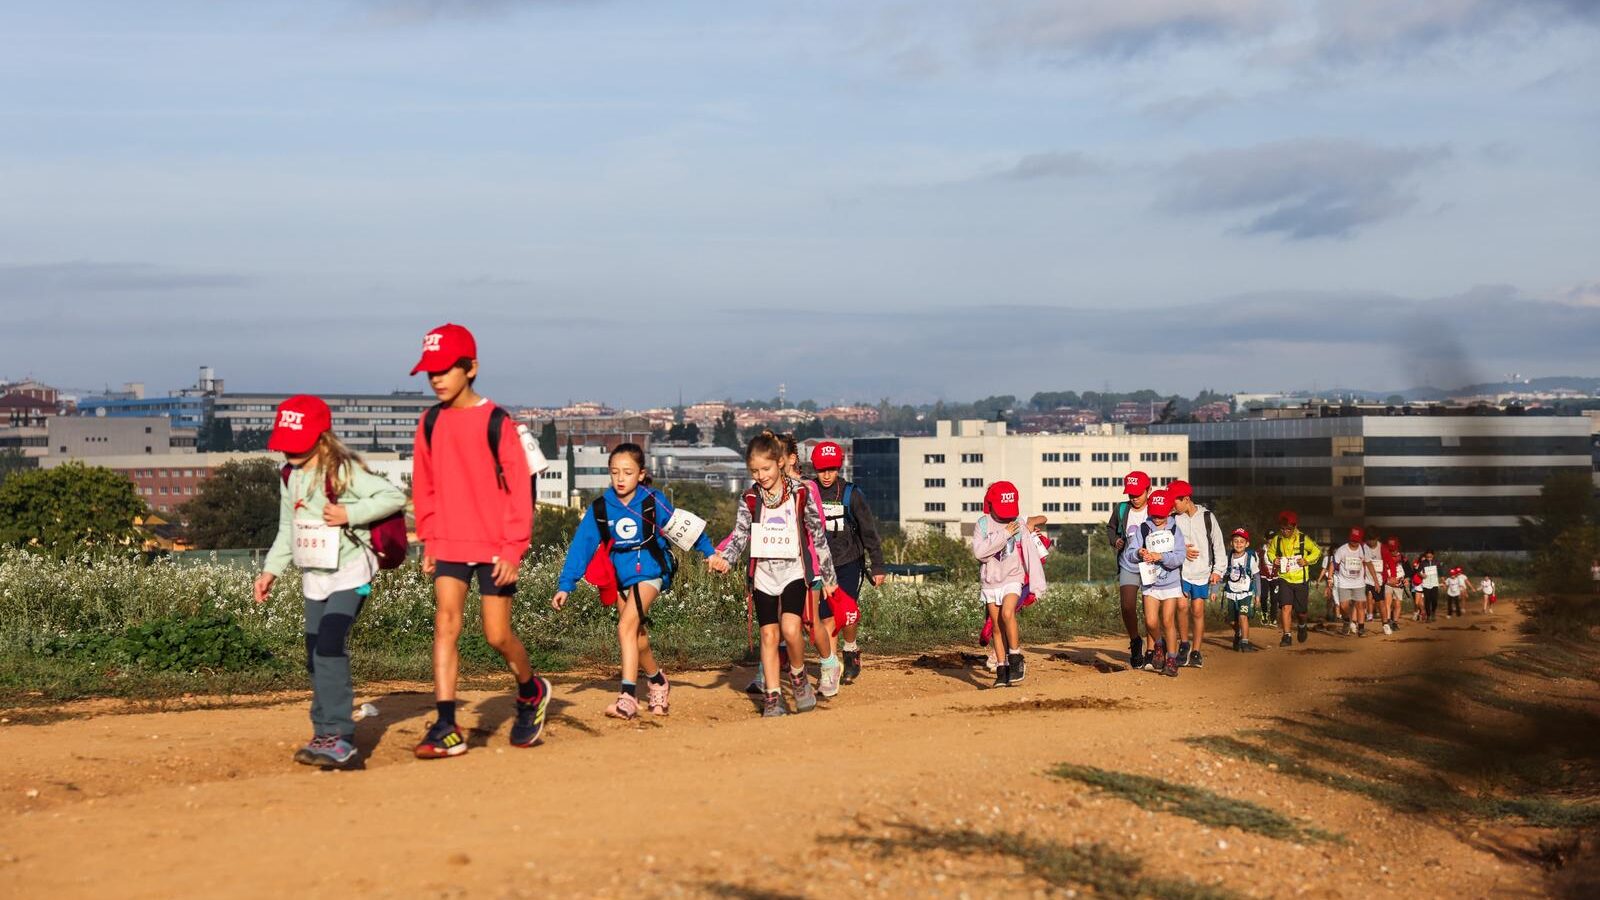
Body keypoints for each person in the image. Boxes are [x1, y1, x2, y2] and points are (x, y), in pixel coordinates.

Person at [409, 323, 551, 758]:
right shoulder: (429, 421)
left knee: (496, 635)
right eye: (429, 371)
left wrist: (513, 549)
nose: (435, 378)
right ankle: (447, 725)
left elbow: (520, 492)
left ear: (471, 368)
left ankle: (531, 691)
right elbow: (425, 485)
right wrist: (429, 539)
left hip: (494, 547)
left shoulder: (498, 422)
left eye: (444, 369)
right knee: (445, 624)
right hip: (449, 541)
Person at [254, 395, 408, 769]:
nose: (288, 452)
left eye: (296, 444)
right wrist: (270, 570)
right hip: (315, 578)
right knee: (314, 657)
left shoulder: (342, 471)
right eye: (284, 443)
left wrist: (349, 513)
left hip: (353, 574)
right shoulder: (289, 476)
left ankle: (341, 739)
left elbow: (393, 496)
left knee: (329, 647)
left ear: (321, 439)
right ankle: (322, 731)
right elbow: (287, 528)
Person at [552, 444, 718, 719]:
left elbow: (682, 527)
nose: (620, 478)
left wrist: (710, 553)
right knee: (636, 636)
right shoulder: (601, 507)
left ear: (641, 474)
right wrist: (565, 585)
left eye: (627, 472)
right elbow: (581, 546)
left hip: (651, 571)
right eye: (615, 472)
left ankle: (628, 696)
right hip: (618, 577)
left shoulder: (653, 500)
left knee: (625, 627)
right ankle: (657, 681)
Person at [708, 431, 838, 717]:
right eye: (754, 471)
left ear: (780, 463)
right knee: (768, 634)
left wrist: (828, 577)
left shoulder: (801, 493)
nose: (761, 475)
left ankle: (798, 676)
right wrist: (726, 559)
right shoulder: (750, 498)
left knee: (792, 629)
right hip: (763, 575)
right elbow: (741, 535)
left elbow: (817, 535)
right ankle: (773, 696)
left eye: (765, 469)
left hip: (794, 571)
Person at [809, 441, 888, 684]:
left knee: (847, 614)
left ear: (839, 468)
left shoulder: (851, 493)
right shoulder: (808, 492)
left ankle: (851, 649)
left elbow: (868, 530)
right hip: (819, 566)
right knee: (826, 618)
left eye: (831, 469)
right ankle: (831, 667)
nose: (827, 475)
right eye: (822, 470)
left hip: (849, 562)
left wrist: (877, 565)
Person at [971, 481, 1048, 687]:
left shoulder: (1018, 523)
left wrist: (1037, 586)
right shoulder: (983, 524)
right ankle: (1002, 670)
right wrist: (1004, 534)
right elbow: (980, 553)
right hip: (990, 582)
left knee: (1007, 613)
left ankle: (1015, 658)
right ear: (991, 503)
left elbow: (1031, 554)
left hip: (1013, 578)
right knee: (996, 627)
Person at [1123, 489, 1186, 676]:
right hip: (1150, 582)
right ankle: (1159, 644)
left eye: (1161, 515)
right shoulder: (1144, 528)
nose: (1157, 518)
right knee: (1151, 622)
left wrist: (1162, 556)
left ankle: (1172, 660)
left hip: (1171, 583)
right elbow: (1130, 553)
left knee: (1167, 620)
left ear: (1168, 511)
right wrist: (1139, 553)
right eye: (1154, 514)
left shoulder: (1175, 529)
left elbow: (1180, 556)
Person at [1168, 480, 1224, 668]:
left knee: (1198, 611)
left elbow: (1218, 545)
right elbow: (1168, 542)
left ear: (1186, 499)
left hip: (1202, 573)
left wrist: (1217, 570)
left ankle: (1197, 651)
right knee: (1182, 607)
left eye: (1175, 501)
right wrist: (1182, 549)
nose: (1172, 506)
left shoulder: (1208, 517)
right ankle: (1184, 644)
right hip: (1181, 572)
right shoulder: (1175, 518)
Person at [1106, 471, 1154, 667]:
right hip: (1128, 562)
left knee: (1151, 609)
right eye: (1130, 494)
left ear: (1148, 490)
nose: (1134, 498)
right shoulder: (1122, 509)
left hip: (1152, 564)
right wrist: (1115, 540)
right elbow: (1110, 528)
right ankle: (1135, 641)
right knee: (1127, 606)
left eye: (1138, 494)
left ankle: (1152, 649)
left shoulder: (1155, 508)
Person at [1264, 510, 1323, 647]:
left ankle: (1302, 625)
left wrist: (1306, 560)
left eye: (1289, 529)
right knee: (1286, 607)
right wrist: (1275, 560)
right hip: (1284, 578)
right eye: (1283, 529)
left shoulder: (1303, 539)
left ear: (1294, 526)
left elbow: (1317, 551)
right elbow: (1270, 553)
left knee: (1301, 611)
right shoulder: (1277, 540)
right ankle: (1287, 636)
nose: (1285, 532)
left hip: (1301, 579)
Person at [1330, 528, 1377, 637]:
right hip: (1344, 583)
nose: (1354, 542)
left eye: (1357, 540)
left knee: (1360, 605)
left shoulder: (1364, 549)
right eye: (1353, 540)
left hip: (1359, 583)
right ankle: (1347, 620)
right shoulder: (1342, 550)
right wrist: (1329, 579)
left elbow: (1369, 564)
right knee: (1343, 606)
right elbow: (1333, 563)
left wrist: (1376, 581)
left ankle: (1361, 628)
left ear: (1360, 540)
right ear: (1349, 538)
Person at [1221, 528, 1260, 652]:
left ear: (1247, 544)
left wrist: (1257, 594)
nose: (1238, 544)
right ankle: (1238, 632)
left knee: (1243, 616)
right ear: (1231, 543)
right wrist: (1214, 590)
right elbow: (1221, 574)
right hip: (1231, 593)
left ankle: (1245, 642)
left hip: (1245, 593)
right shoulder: (1227, 558)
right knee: (1232, 621)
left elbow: (1257, 576)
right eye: (1236, 541)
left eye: (1241, 541)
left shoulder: (1250, 559)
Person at [1381, 537, 1407, 634]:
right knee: (1387, 603)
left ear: (1398, 548)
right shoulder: (1383, 557)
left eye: (1394, 549)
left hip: (1399, 584)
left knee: (1397, 604)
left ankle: (1395, 622)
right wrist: (1386, 580)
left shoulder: (1402, 558)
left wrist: (1406, 579)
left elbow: (1408, 571)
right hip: (1388, 584)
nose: (1392, 551)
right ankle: (1387, 622)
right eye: (1390, 549)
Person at [1415, 550, 1442, 622]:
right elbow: (1418, 571)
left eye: (1430, 556)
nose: (1429, 558)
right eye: (1427, 557)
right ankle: (1428, 616)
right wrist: (1421, 575)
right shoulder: (1423, 563)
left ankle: (1433, 612)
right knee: (1427, 600)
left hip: (1434, 583)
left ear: (1433, 556)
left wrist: (1443, 579)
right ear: (1425, 556)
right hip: (1426, 584)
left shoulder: (1436, 562)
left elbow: (1440, 571)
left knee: (1434, 600)